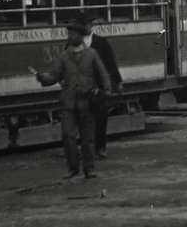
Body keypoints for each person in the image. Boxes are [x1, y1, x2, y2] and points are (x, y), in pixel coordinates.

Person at [32, 19, 111, 180]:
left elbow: (103, 73)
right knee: (68, 135)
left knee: (88, 137)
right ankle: (73, 168)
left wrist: (106, 90)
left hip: (87, 101)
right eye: (69, 34)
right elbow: (55, 75)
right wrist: (43, 79)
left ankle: (89, 169)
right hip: (68, 102)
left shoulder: (92, 54)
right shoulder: (63, 56)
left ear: (81, 36)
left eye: (73, 34)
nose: (70, 36)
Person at [86, 15, 123, 159]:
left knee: (101, 118)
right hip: (83, 87)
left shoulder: (100, 42)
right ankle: (89, 149)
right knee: (85, 120)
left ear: (90, 25)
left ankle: (100, 147)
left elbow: (110, 63)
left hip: (99, 86)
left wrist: (117, 81)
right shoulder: (73, 45)